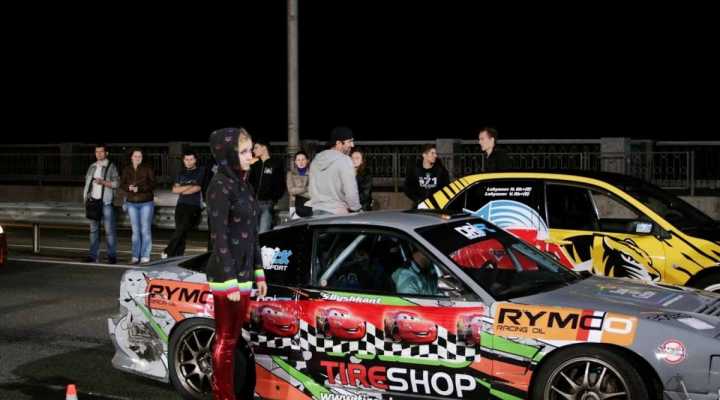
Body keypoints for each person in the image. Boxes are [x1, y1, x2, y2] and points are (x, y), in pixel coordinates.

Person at [206, 127, 268, 400]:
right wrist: (230, 279)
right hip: (226, 276)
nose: (249, 155)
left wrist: (259, 272)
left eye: (249, 150)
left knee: (234, 339)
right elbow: (218, 236)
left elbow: (253, 233)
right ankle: (223, 396)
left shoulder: (245, 184)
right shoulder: (219, 185)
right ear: (228, 154)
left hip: (244, 273)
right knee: (226, 340)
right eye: (243, 151)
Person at [307, 126, 361, 216]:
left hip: (316, 213)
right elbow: (351, 191)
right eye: (349, 141)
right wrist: (356, 208)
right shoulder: (345, 160)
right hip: (337, 214)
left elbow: (311, 187)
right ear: (338, 143)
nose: (352, 145)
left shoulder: (316, 159)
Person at [162, 150, 205, 259]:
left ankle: (168, 251)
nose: (189, 162)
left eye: (191, 159)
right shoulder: (181, 173)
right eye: (186, 159)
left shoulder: (200, 171)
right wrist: (190, 185)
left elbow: (197, 188)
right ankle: (177, 257)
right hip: (180, 205)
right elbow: (174, 190)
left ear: (195, 160)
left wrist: (182, 189)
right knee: (180, 232)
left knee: (181, 230)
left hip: (193, 206)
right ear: (183, 161)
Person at [83, 144, 119, 264]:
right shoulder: (92, 166)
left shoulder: (111, 166)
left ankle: (112, 256)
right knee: (93, 231)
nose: (98, 154)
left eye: (101, 151)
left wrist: (103, 182)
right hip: (93, 202)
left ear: (106, 153)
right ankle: (93, 255)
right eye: (97, 152)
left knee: (109, 231)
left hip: (106, 202)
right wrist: (86, 197)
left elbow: (116, 183)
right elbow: (87, 183)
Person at [120, 148, 156, 265]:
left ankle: (145, 256)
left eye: (139, 156)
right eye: (135, 156)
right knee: (135, 231)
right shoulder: (126, 169)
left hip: (146, 202)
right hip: (131, 203)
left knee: (145, 230)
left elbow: (153, 184)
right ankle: (135, 256)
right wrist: (128, 187)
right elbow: (122, 184)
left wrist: (139, 189)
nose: (137, 158)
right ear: (131, 157)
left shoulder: (148, 168)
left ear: (142, 158)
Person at [249, 138, 285, 233]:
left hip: (267, 204)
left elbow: (281, 184)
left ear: (264, 148)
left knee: (263, 233)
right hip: (254, 204)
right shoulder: (255, 165)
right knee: (253, 234)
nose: (253, 150)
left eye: (256, 148)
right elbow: (249, 183)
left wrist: (273, 198)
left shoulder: (276, 164)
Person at [403, 143, 450, 208]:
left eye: (436, 153)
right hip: (419, 207)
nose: (435, 156)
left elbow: (446, 189)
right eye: (432, 153)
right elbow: (407, 188)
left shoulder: (441, 171)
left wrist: (437, 201)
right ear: (424, 155)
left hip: (436, 208)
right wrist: (418, 200)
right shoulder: (415, 170)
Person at [286, 150, 312, 219]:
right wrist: (306, 188)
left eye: (303, 159)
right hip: (294, 205)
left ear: (307, 160)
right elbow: (291, 190)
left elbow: (313, 192)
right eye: (298, 160)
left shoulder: (312, 173)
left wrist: (297, 191)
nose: (301, 162)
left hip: (310, 205)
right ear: (295, 162)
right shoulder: (290, 174)